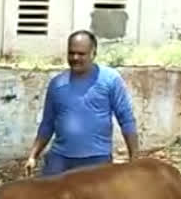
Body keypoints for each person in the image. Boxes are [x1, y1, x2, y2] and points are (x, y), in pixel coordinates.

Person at [25, 30, 139, 177]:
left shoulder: (110, 80)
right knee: (46, 197)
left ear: (94, 54)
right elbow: (47, 123)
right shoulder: (57, 84)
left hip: (97, 159)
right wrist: (33, 156)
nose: (75, 58)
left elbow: (126, 120)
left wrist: (134, 160)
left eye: (81, 54)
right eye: (71, 53)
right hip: (60, 159)